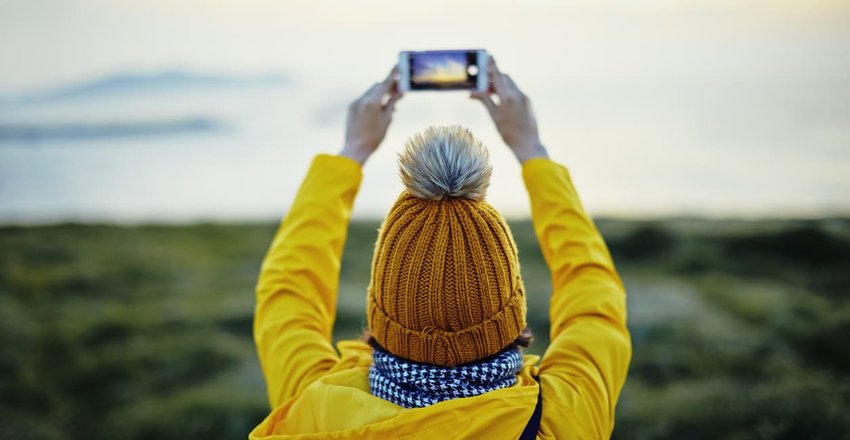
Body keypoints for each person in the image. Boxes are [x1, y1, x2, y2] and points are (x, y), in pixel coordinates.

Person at [250, 58, 631, 439]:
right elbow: (592, 292)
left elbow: (287, 294)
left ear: (381, 310)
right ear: (510, 312)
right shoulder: (567, 415)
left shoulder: (311, 408)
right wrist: (532, 150)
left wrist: (352, 152)